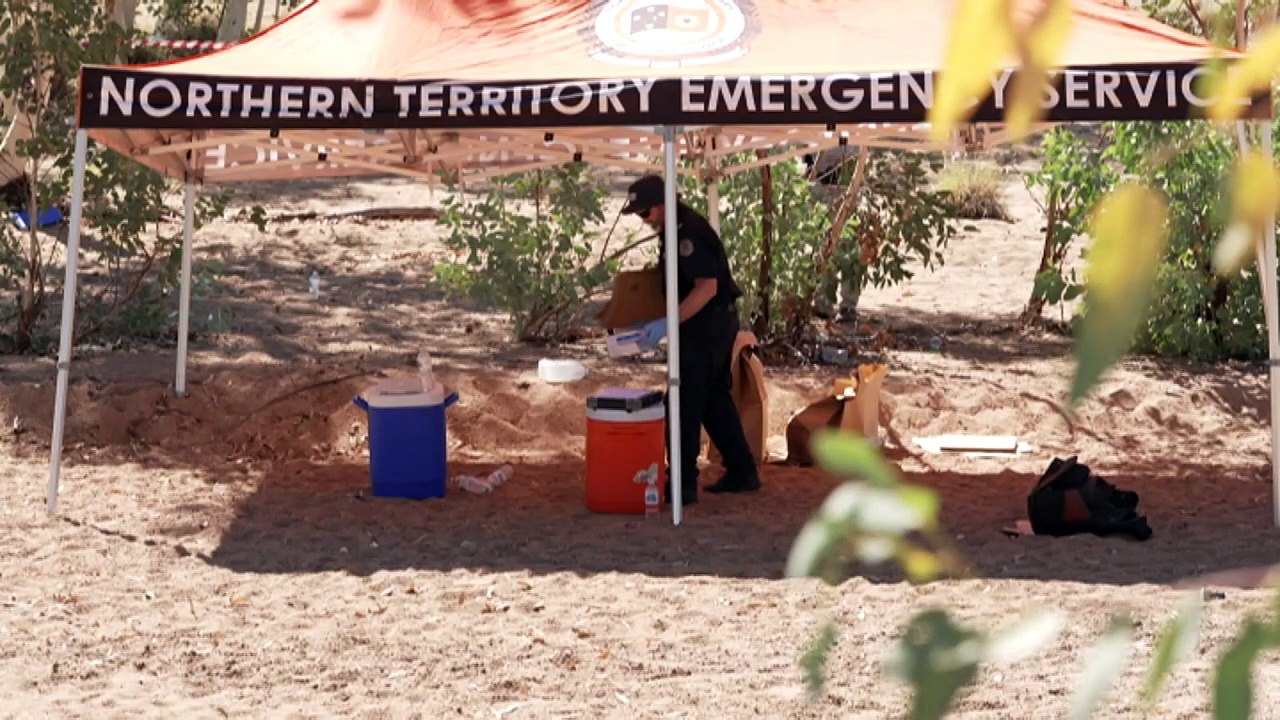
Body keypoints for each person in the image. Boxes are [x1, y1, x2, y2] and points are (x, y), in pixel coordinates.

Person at [620, 174, 762, 504]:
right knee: (712, 400)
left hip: (707, 326)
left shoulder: (690, 232)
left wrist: (668, 322)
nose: (644, 219)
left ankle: (682, 484)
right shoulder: (674, 229)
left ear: (662, 205)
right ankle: (742, 470)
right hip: (704, 324)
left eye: (645, 212)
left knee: (683, 401)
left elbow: (707, 287)